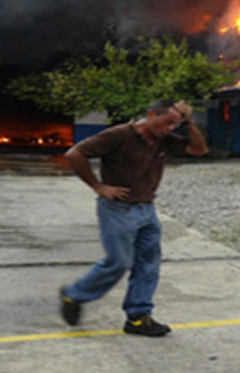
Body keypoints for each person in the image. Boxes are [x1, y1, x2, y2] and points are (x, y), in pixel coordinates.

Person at [59, 99, 208, 337]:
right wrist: (98, 186)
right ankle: (74, 295)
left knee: (148, 264)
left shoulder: (162, 139)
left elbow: (199, 150)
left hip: (147, 209)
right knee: (119, 262)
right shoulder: (119, 135)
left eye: (175, 124)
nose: (170, 128)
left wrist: (189, 121)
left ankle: (138, 317)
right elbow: (75, 153)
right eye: (167, 122)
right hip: (118, 210)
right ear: (150, 114)